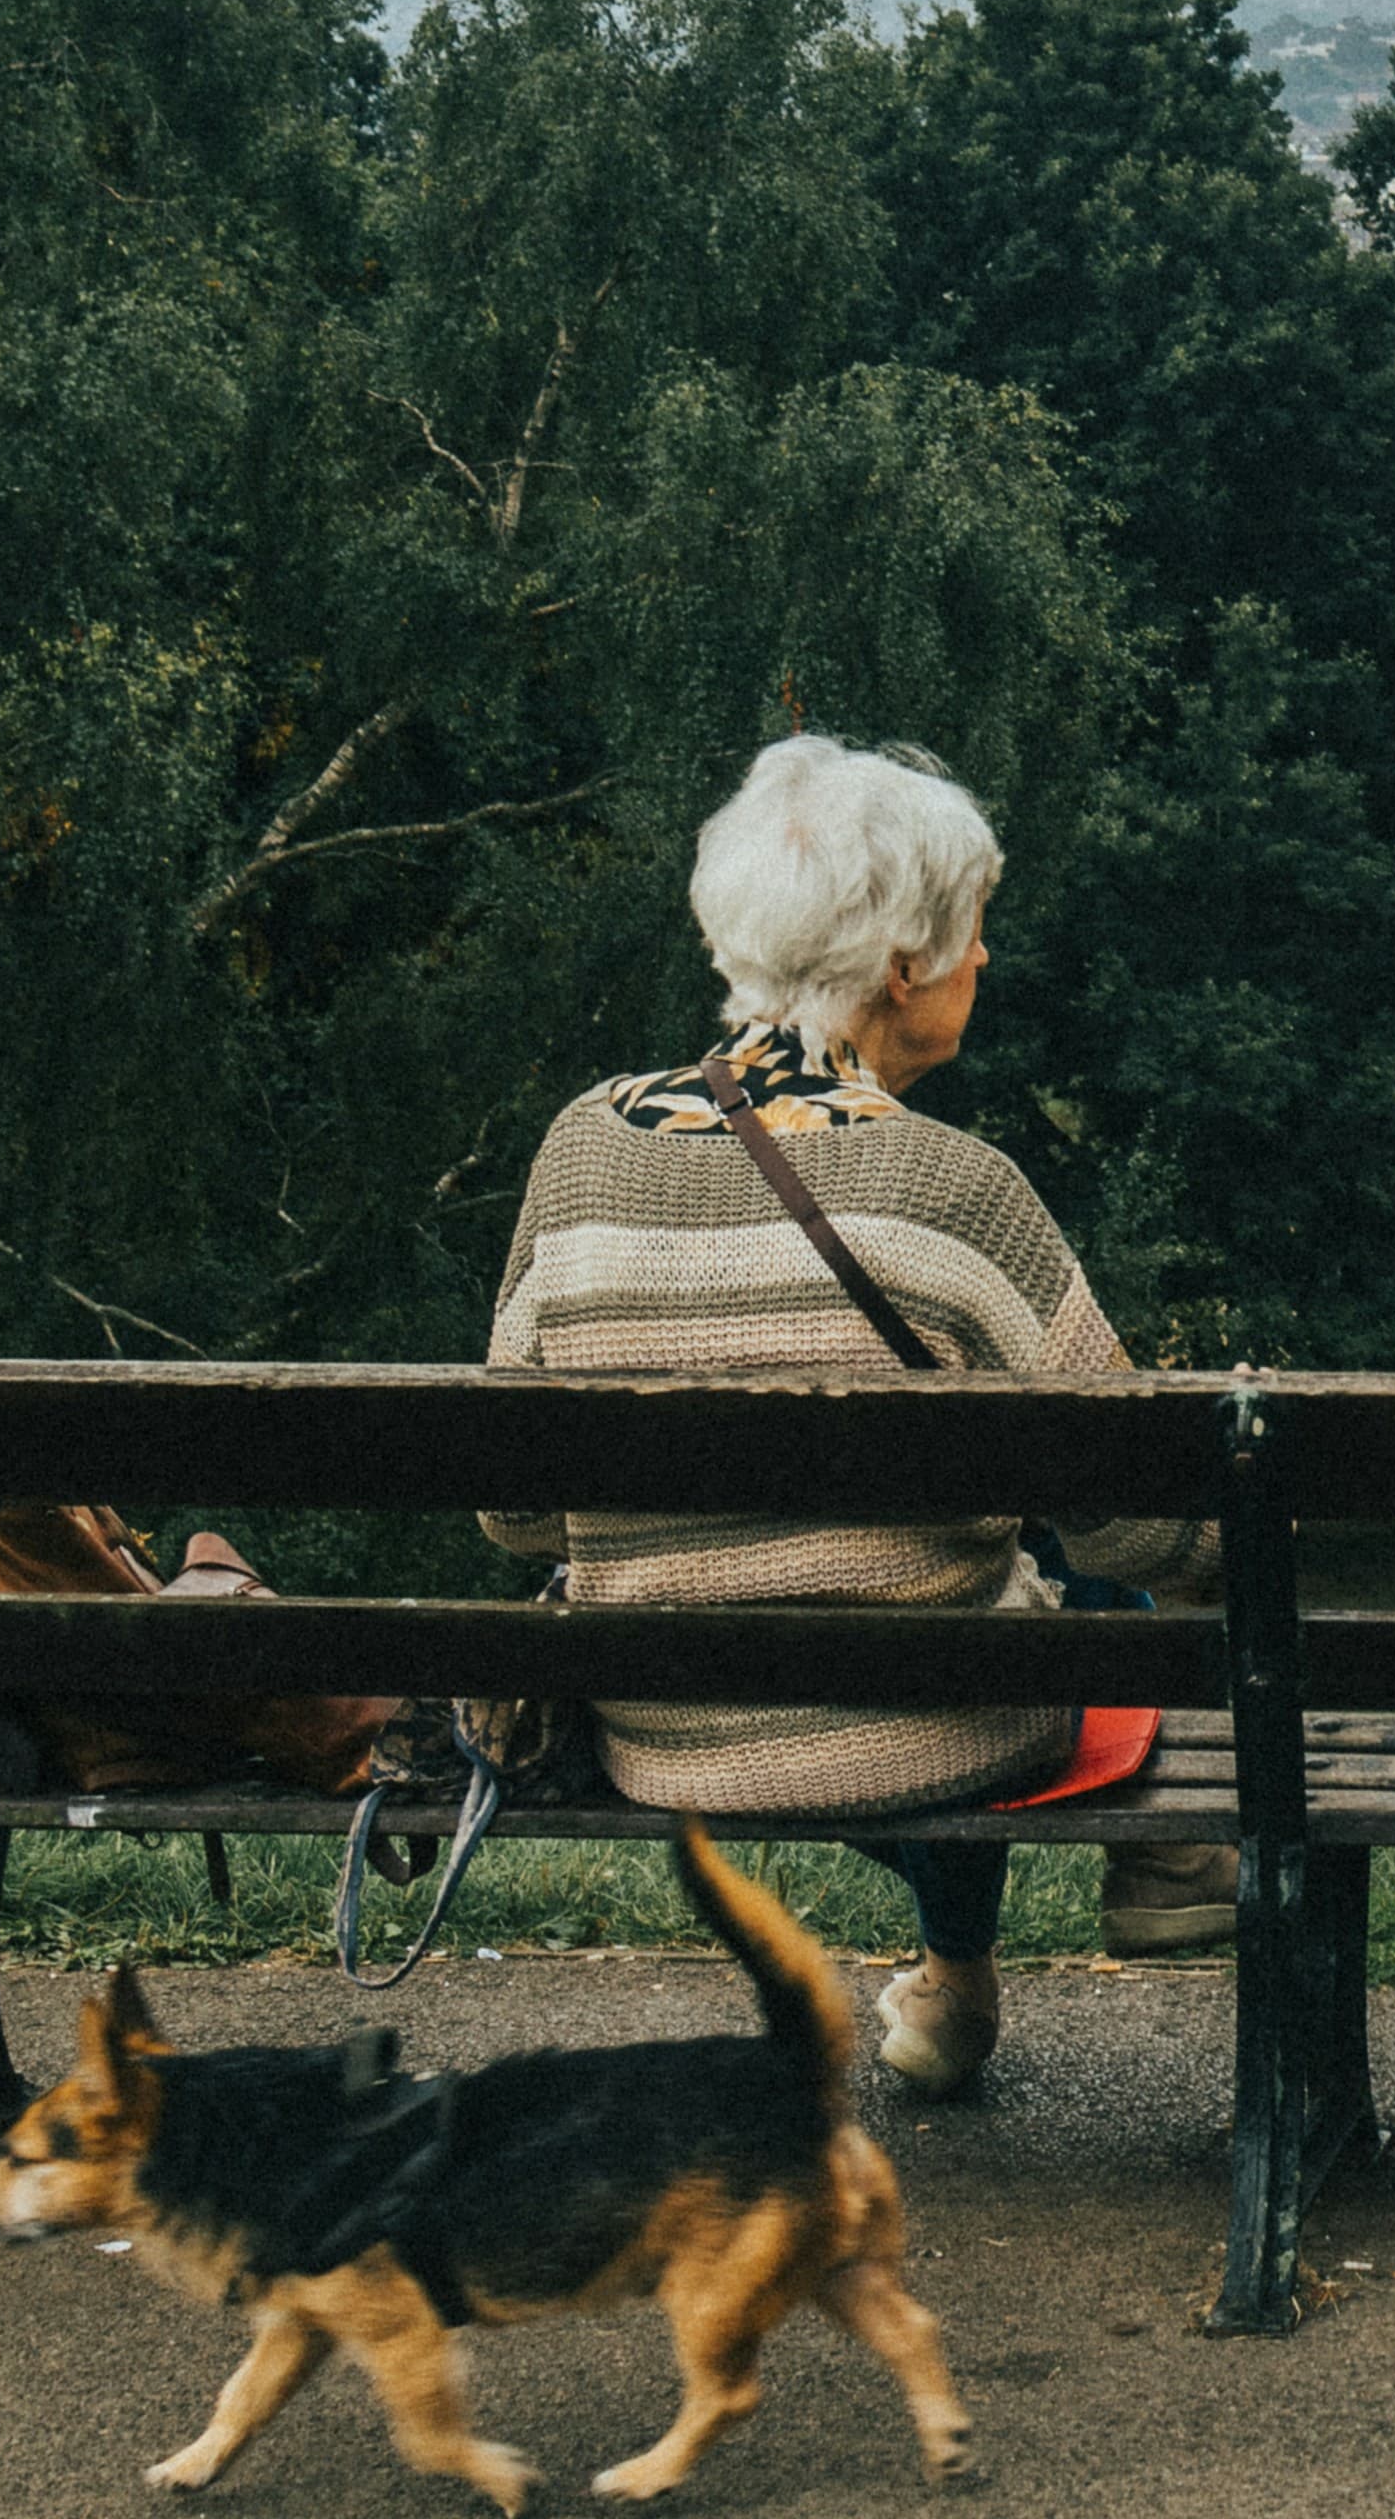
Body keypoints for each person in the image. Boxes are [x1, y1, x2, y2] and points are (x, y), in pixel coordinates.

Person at [482, 734, 1230, 2100]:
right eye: (973, 936)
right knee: (1035, 1604)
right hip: (935, 1725)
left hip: (661, 1729)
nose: (986, 961)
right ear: (904, 969)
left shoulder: (578, 1149)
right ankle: (1166, 1864)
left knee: (963, 1597)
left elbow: (512, 1506)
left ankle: (959, 1990)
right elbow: (1144, 1519)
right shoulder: (961, 1189)